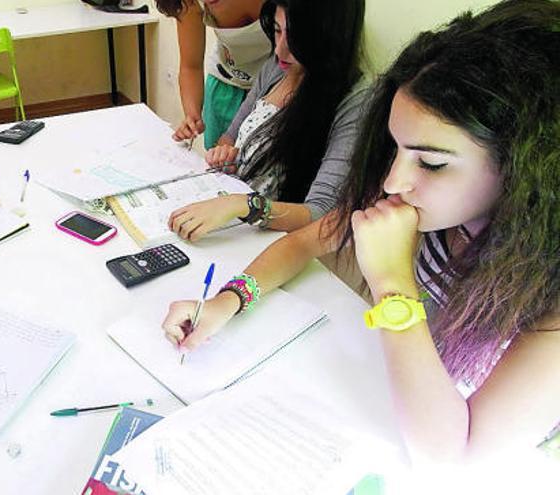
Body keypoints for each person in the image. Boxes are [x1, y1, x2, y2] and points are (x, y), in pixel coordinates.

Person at [162, 0, 560, 463]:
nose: (393, 181)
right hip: (384, 408)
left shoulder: (548, 290)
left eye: (430, 162)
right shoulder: (415, 198)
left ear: (526, 168)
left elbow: (454, 458)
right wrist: (228, 301)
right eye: (395, 148)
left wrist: (394, 287)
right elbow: (303, 242)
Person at [168, 0, 368, 239]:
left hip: (276, 237)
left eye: (295, 38)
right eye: (276, 30)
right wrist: (225, 155)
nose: (279, 50)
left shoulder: (355, 101)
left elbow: (320, 212)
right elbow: (229, 137)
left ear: (328, 36)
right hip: (233, 218)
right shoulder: (277, 68)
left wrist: (244, 205)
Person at [155, 0, 271, 149]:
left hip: (276, 90)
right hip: (225, 91)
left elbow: (295, 69)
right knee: (219, 167)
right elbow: (191, 66)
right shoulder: (191, 3)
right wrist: (192, 115)